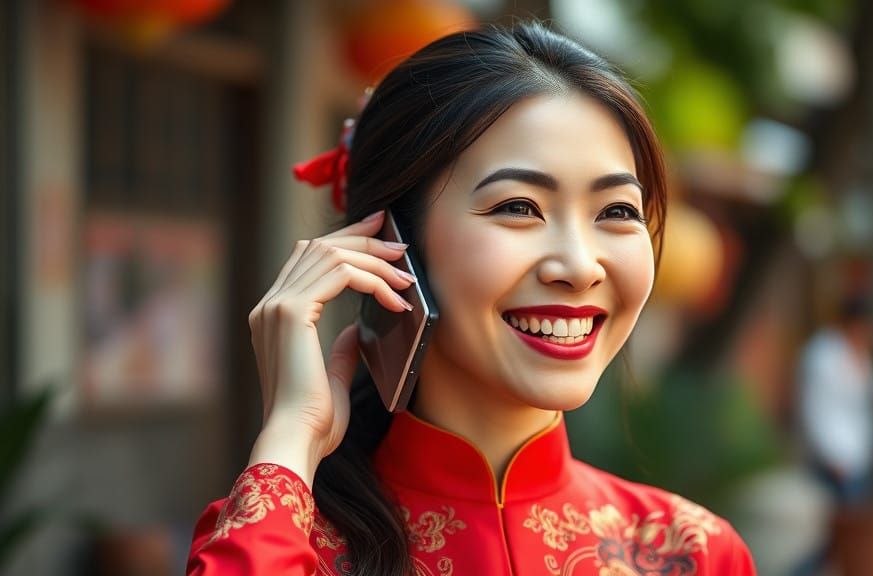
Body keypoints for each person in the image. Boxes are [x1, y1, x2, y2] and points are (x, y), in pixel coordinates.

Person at [186, 22, 756, 576]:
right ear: (388, 239)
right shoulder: (279, 541)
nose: (581, 267)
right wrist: (290, 435)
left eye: (617, 212)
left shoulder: (692, 554)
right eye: (518, 207)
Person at [792, 295, 873, 576]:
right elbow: (815, 410)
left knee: (844, 537)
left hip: (855, 459)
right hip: (835, 462)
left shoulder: (858, 355)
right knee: (838, 536)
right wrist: (832, 457)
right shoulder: (823, 355)